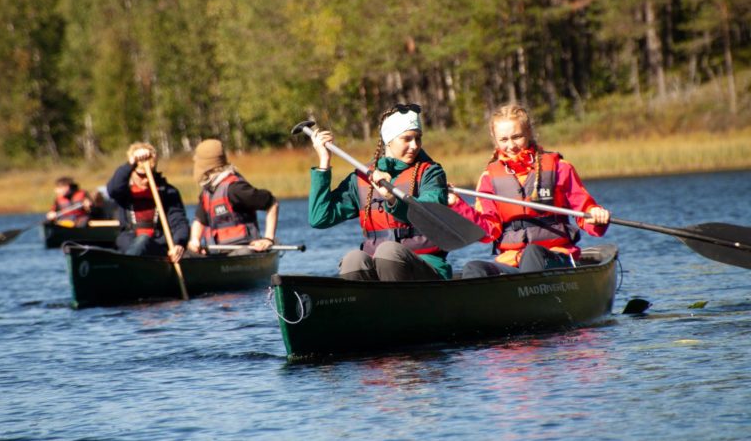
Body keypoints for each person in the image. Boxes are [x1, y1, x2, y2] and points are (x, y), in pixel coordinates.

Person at [449, 103, 611, 277]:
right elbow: (488, 233)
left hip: (556, 258)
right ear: (495, 139)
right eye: (504, 140)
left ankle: (527, 290)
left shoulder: (560, 168)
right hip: (512, 262)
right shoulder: (489, 178)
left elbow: (585, 213)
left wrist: (596, 217)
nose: (511, 145)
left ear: (529, 132)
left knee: (532, 253)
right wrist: (457, 204)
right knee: (474, 268)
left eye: (517, 137)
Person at [308, 103, 452, 281]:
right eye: (407, 139)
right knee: (354, 260)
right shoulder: (361, 177)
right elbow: (319, 218)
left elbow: (429, 214)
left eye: (418, 138)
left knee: (388, 251)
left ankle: (395, 297)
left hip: (426, 267)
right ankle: (364, 298)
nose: (415, 145)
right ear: (388, 140)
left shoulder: (431, 172)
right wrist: (324, 162)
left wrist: (391, 197)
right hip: (379, 267)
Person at [186, 139, 279, 255]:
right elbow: (200, 220)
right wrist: (195, 240)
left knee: (242, 253)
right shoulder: (207, 192)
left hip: (244, 251)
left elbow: (272, 203)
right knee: (186, 255)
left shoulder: (235, 188)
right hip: (218, 254)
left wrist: (268, 238)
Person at [107, 142, 188, 262]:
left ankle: (127, 265)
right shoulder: (123, 192)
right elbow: (113, 189)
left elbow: (179, 222)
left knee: (144, 240)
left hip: (157, 248)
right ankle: (128, 264)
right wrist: (131, 163)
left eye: (150, 173)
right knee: (140, 241)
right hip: (128, 245)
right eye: (141, 175)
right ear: (132, 171)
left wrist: (179, 243)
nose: (146, 180)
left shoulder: (168, 192)